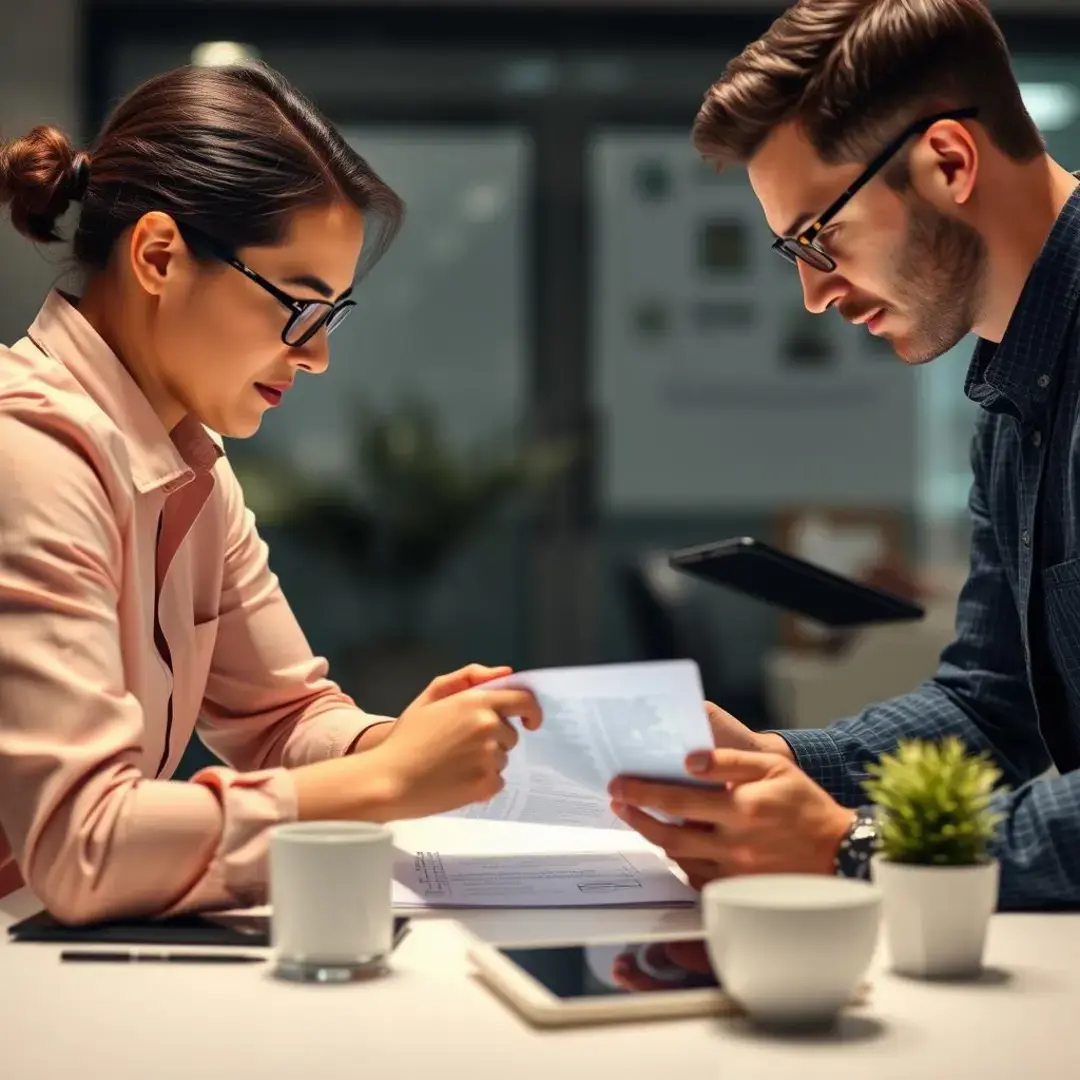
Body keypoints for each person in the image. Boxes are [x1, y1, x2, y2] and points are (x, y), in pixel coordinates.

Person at [0, 61, 541, 925]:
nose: (318, 355)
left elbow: (283, 713)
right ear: (158, 256)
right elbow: (84, 844)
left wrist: (386, 741)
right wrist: (387, 778)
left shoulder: (189, 459)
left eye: (332, 318)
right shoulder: (26, 445)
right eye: (299, 306)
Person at [610, 0, 1080, 909]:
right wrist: (776, 762)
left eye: (817, 237)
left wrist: (856, 844)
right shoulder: (1013, 392)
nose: (814, 295)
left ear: (949, 162)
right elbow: (993, 712)